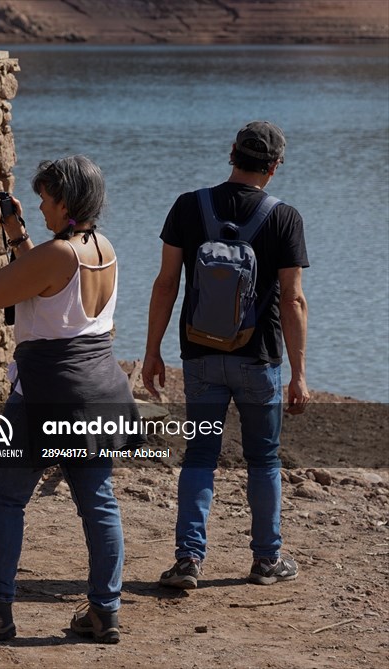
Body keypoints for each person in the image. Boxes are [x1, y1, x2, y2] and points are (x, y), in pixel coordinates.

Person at [0, 155, 141, 644]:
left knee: (6, 497)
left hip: (46, 395)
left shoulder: (59, 254)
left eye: (46, 200)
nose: (40, 207)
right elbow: (46, 283)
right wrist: (17, 232)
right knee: (98, 502)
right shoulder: (102, 247)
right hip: (100, 390)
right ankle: (104, 612)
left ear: (67, 202)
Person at [142, 121, 309, 589]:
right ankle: (266, 560)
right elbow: (293, 300)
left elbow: (166, 284)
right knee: (264, 460)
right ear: (275, 167)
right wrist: (299, 374)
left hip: (198, 354)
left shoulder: (188, 206)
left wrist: (152, 351)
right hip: (260, 359)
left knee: (200, 456)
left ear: (231, 153)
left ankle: (188, 560)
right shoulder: (284, 217)